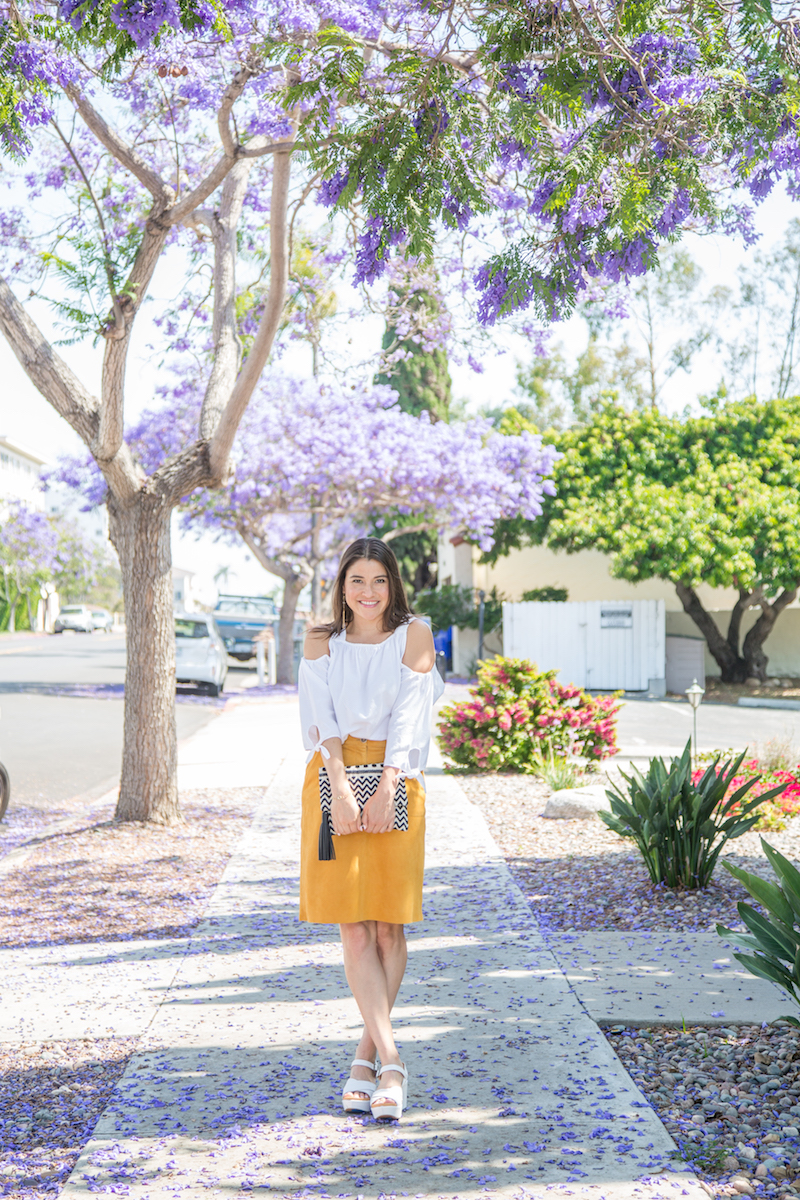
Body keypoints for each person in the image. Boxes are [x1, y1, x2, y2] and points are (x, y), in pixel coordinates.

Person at [298, 537, 444, 1122]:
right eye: (356, 580)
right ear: (341, 585)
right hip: (333, 773)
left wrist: (387, 783)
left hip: (395, 771)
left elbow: (411, 713)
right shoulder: (319, 639)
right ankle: (392, 1059)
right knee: (352, 929)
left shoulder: (415, 634)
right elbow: (318, 716)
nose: (367, 592)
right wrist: (337, 781)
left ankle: (366, 1059)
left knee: (387, 926)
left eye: (378, 580)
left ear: (393, 585)